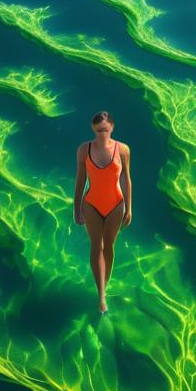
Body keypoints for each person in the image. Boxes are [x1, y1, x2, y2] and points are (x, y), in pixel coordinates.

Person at [74, 110, 131, 313]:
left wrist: (129, 207)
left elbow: (125, 178)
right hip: (91, 204)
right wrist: (76, 208)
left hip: (116, 204)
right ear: (93, 128)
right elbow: (80, 179)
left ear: (112, 128)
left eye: (105, 130)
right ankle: (101, 296)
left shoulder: (123, 150)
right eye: (98, 131)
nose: (102, 135)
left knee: (109, 246)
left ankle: (104, 283)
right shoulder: (84, 150)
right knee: (96, 246)